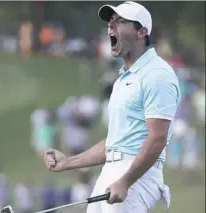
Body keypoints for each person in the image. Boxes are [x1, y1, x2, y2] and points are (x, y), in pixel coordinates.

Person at [44, 1, 181, 213]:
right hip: (112, 170)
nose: (110, 27)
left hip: (138, 174)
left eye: (120, 22)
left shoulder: (157, 74)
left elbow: (157, 138)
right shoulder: (121, 81)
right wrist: (68, 162)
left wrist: (126, 180)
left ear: (141, 32)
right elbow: (113, 145)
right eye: (110, 23)